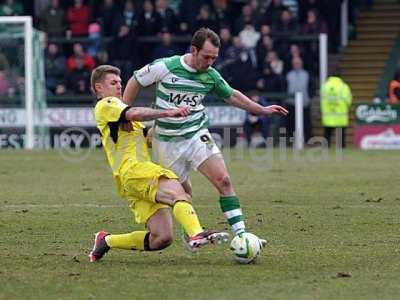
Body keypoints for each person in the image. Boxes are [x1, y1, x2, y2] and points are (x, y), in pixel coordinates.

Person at [122, 27, 287, 239]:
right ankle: (192, 234)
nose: (210, 62)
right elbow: (135, 81)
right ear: (193, 50)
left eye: (214, 58)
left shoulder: (210, 76)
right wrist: (123, 112)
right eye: (206, 57)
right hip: (167, 143)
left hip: (196, 134)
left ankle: (241, 235)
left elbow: (233, 96)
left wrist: (262, 109)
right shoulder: (166, 66)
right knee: (184, 195)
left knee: (224, 180)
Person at [89, 65, 229, 262]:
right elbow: (134, 112)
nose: (119, 87)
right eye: (113, 83)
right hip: (136, 170)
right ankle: (196, 234)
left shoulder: (120, 115)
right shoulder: (107, 104)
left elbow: (148, 136)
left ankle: (107, 241)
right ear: (99, 88)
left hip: (132, 180)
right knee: (179, 193)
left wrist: (168, 123)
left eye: (120, 83)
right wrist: (167, 112)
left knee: (161, 238)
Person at [320, 74, 352, 147]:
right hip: (340, 116)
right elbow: (348, 100)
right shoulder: (344, 87)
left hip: (328, 116)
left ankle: (326, 147)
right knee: (340, 135)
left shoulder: (324, 86)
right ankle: (341, 147)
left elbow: (322, 100)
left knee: (327, 133)